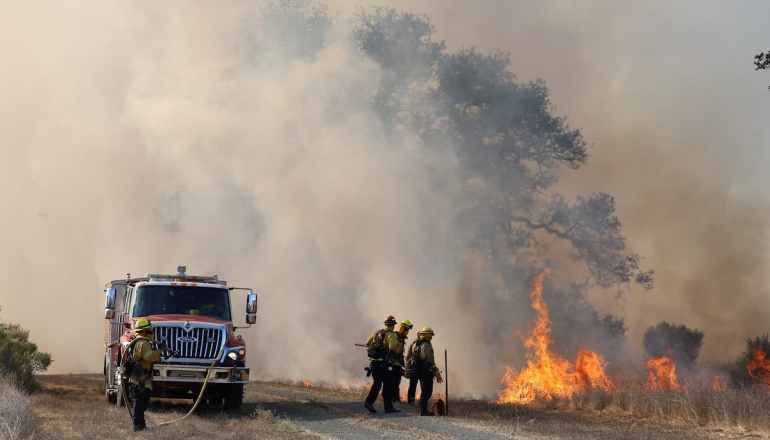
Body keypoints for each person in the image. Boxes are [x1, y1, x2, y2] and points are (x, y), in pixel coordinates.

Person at [128, 318, 167, 431]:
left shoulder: (139, 341)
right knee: (141, 403)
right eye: (149, 329)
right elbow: (149, 357)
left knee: (141, 403)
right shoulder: (143, 343)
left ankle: (141, 424)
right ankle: (138, 425)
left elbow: (146, 358)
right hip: (141, 379)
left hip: (141, 377)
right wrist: (159, 350)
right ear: (145, 330)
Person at [363, 315, 397, 413]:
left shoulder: (378, 332)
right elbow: (393, 348)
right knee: (387, 385)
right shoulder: (391, 335)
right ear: (393, 325)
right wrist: (388, 359)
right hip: (385, 364)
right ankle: (389, 407)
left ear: (385, 324)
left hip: (374, 363)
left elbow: (367, 342)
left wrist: (377, 349)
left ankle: (369, 402)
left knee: (377, 383)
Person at [414, 326, 443, 416]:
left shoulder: (417, 344)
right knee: (427, 391)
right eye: (430, 335)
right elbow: (430, 361)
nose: (431, 337)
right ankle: (423, 410)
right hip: (426, 371)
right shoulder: (426, 345)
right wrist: (436, 373)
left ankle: (421, 408)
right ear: (427, 335)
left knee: (424, 389)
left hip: (419, 371)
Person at [392, 319, 413, 403]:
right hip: (393, 363)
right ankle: (393, 399)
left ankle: (395, 399)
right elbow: (393, 349)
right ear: (402, 328)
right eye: (407, 329)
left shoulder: (401, 337)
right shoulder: (396, 336)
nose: (407, 331)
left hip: (397, 364)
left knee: (396, 382)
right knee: (394, 381)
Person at [404, 329, 422, 405]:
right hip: (420, 368)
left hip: (413, 368)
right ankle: (420, 401)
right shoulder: (424, 344)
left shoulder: (412, 344)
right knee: (422, 385)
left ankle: (411, 401)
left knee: (412, 384)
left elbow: (407, 357)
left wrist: (407, 367)